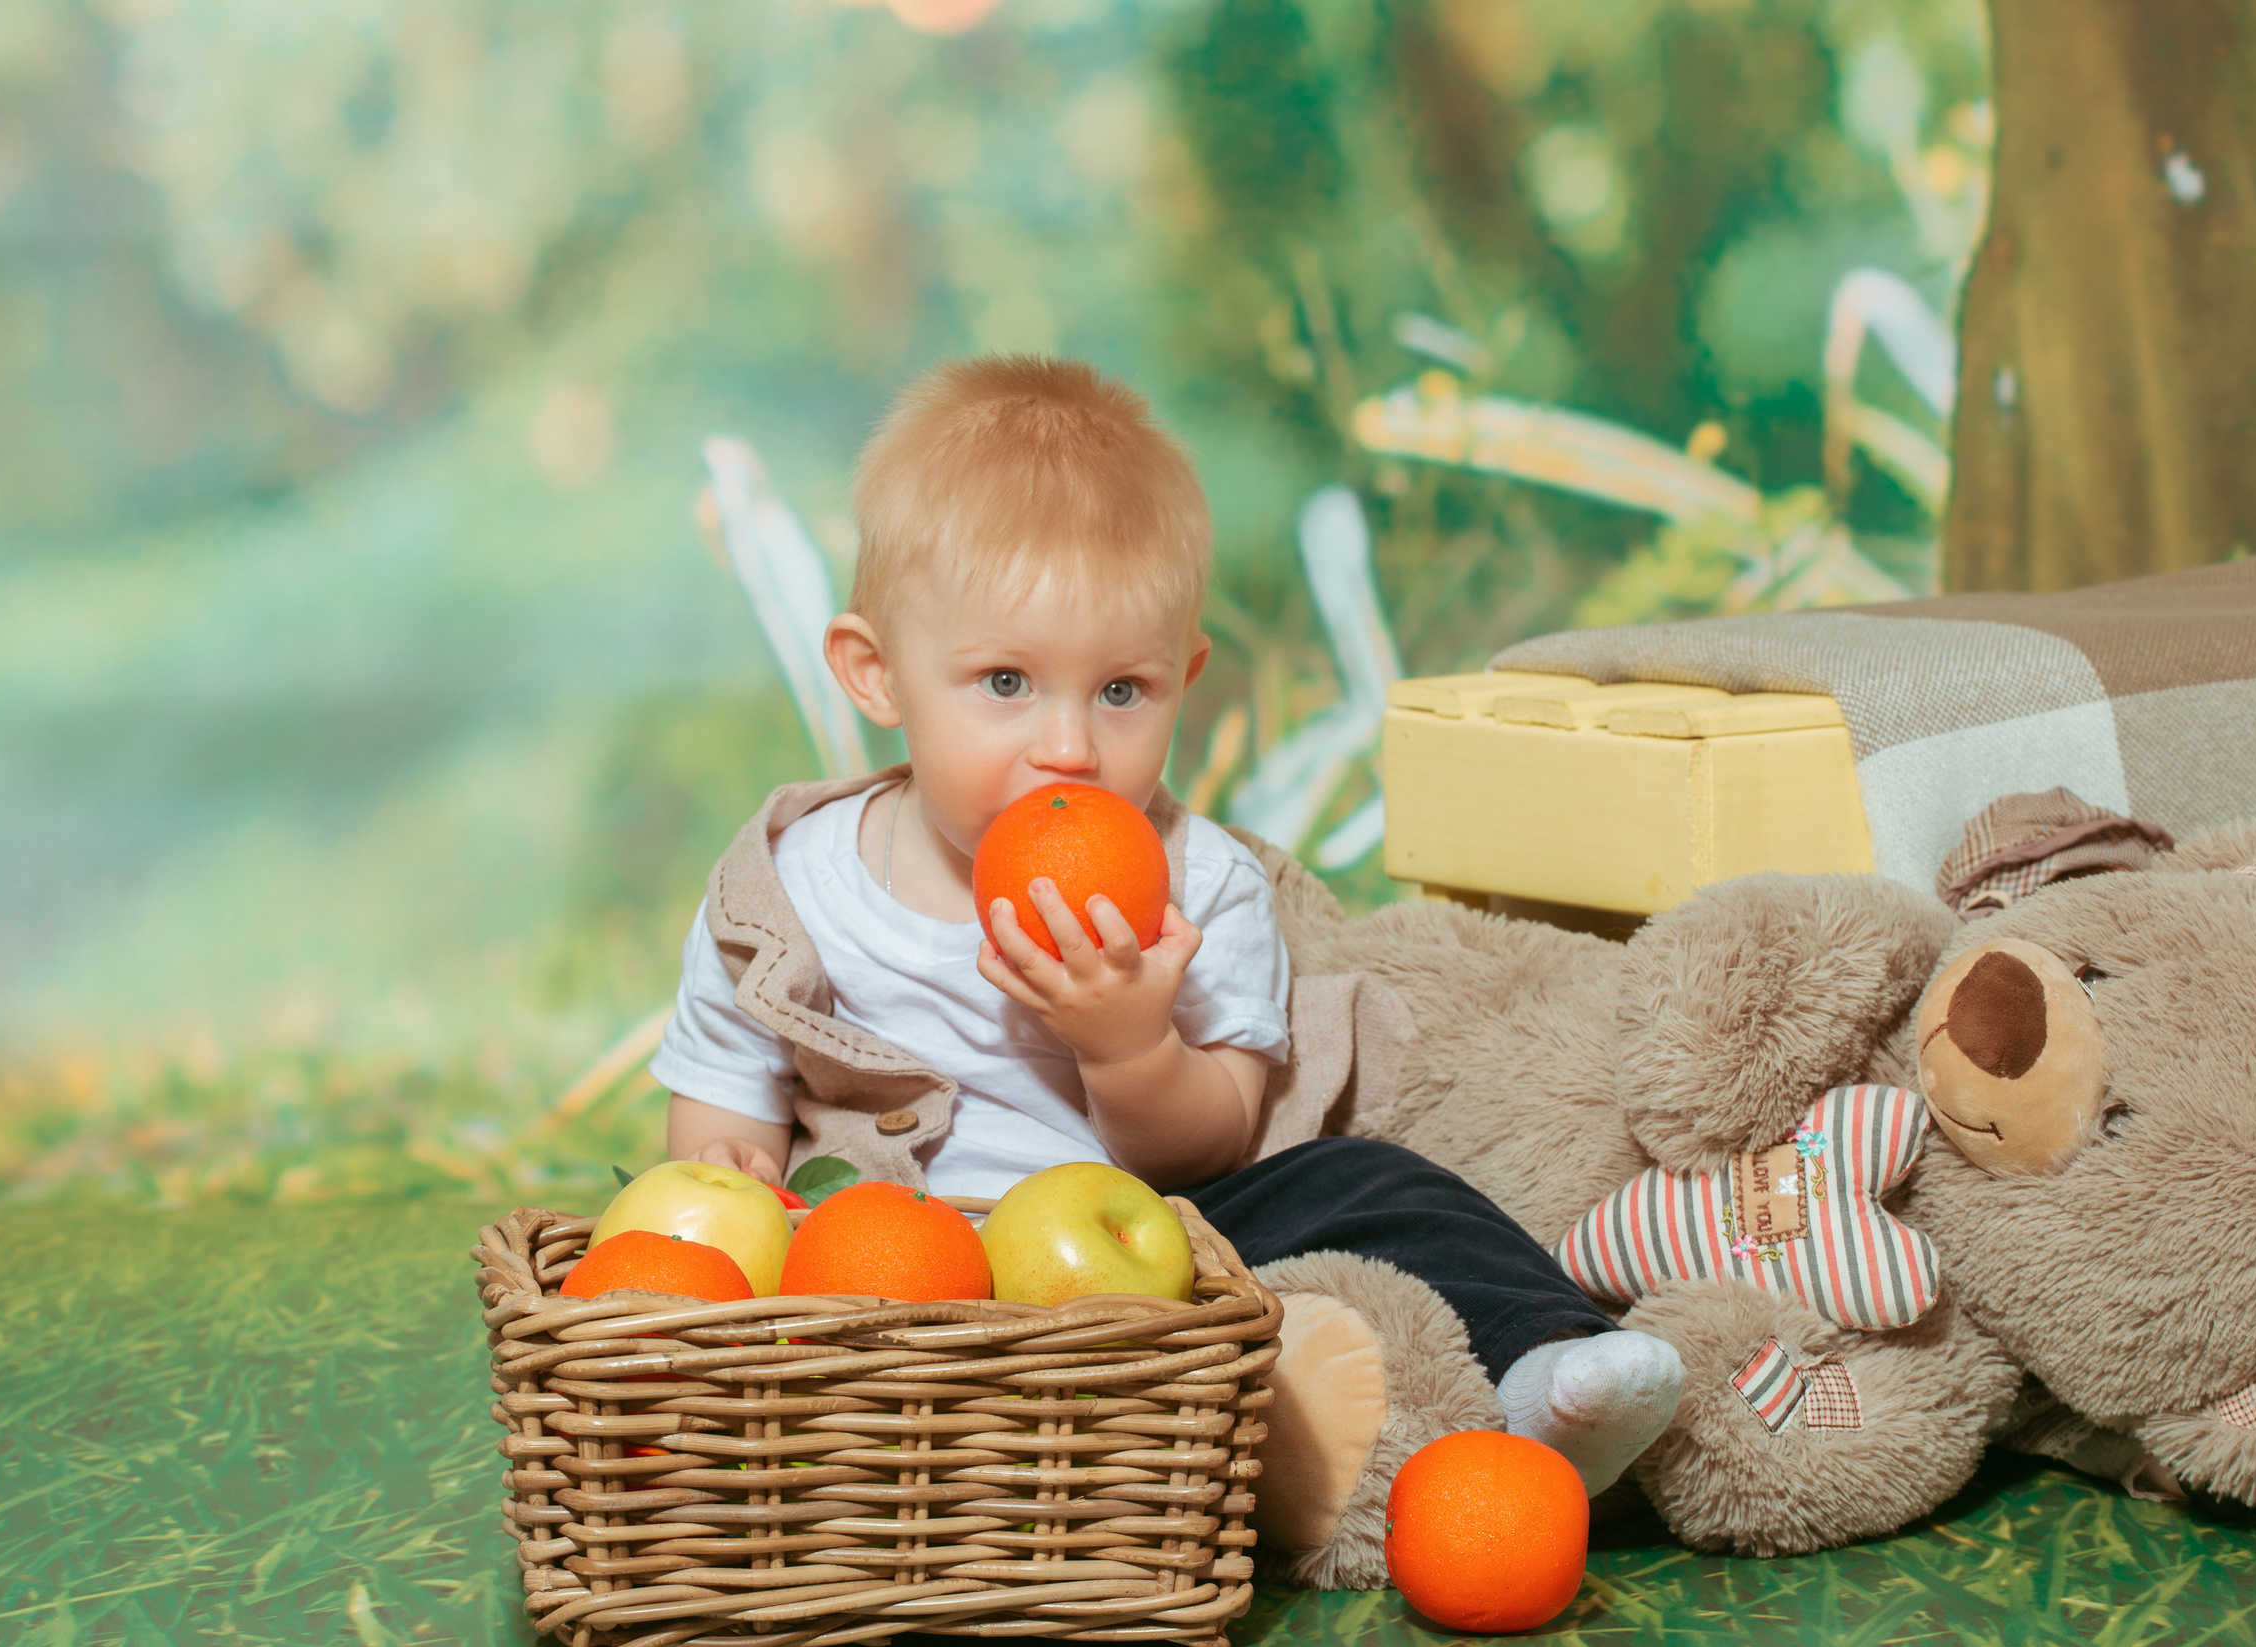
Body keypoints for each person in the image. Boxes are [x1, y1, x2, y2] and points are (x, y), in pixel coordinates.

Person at [649, 354, 1681, 1495]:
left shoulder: (1200, 883)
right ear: (876, 673)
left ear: (1184, 678)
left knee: (1373, 1182)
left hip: (1154, 1240)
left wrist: (1128, 1043)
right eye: (1003, 682)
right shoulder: (789, 894)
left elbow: (1212, 1144)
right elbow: (713, 1128)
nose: (1070, 748)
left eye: (1121, 692)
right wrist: (726, 1161)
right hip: (889, 1266)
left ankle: (1550, 1369)